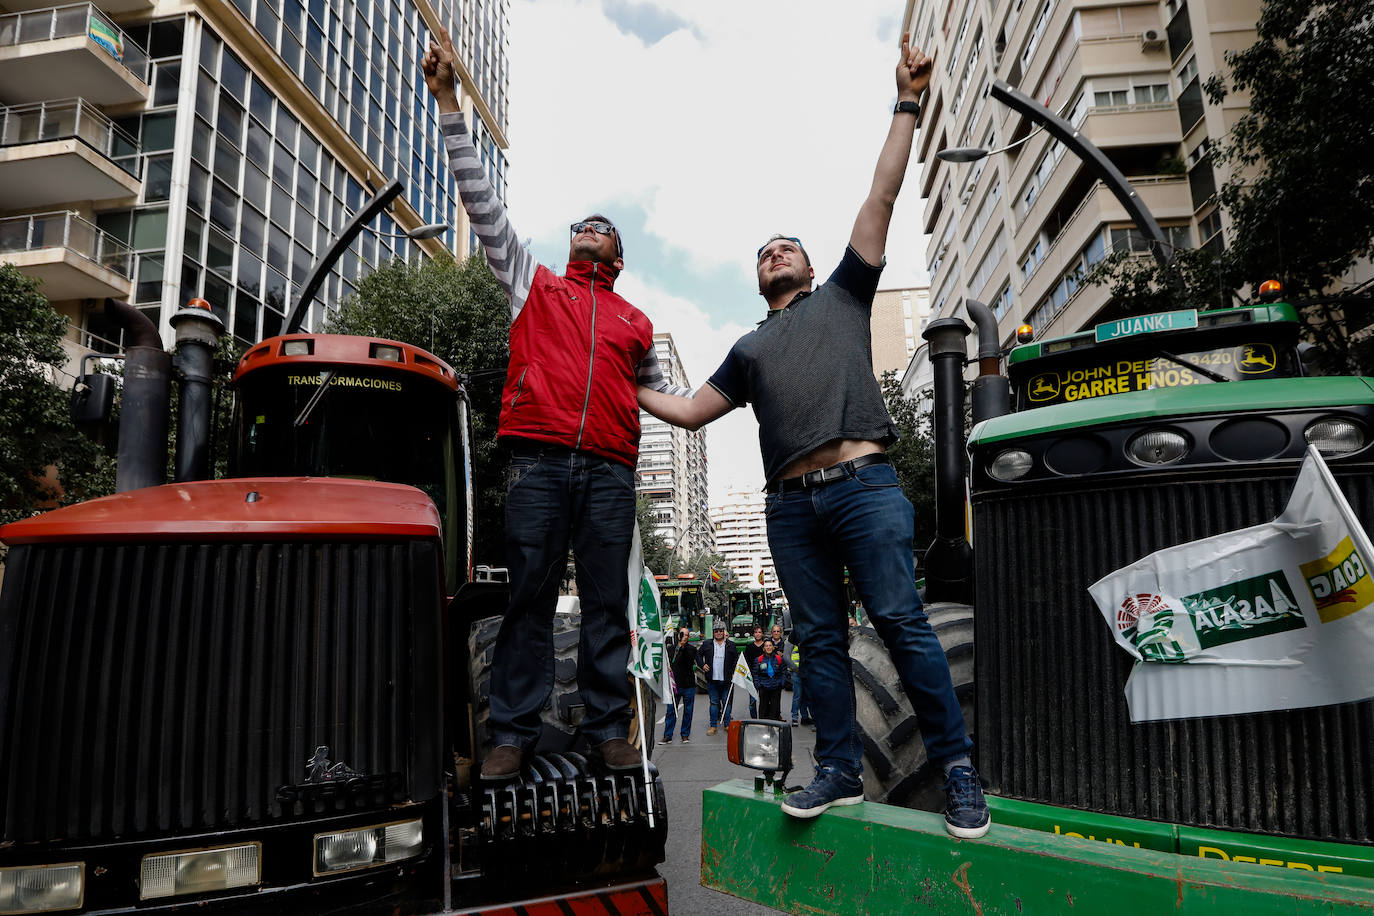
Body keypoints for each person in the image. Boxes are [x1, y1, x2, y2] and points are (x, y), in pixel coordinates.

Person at [637, 34, 990, 837]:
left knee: (901, 623)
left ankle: (959, 771)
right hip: (790, 507)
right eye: (763, 254)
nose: (775, 254)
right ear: (757, 279)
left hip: (865, 488)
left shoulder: (844, 295)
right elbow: (692, 410)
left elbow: (880, 197)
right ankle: (835, 770)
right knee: (819, 641)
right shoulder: (750, 349)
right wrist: (628, 390)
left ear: (806, 263)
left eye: (785, 246)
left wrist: (907, 102)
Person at [423, 28, 692, 782]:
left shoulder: (638, 326)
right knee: (528, 605)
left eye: (605, 230)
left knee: (608, 608)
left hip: (610, 473)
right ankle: (510, 732)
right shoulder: (531, 286)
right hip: (539, 465)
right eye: (584, 226)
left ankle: (608, 728)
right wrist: (449, 101)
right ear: (572, 245)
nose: (592, 228)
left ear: (619, 256)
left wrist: (747, 388)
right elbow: (481, 203)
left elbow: (672, 401)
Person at [697, 622, 740, 735]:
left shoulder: (731, 645)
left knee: (726, 703)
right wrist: (702, 665)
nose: (719, 633)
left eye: (721, 630)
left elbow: (736, 659)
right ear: (713, 632)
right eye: (716, 631)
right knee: (714, 703)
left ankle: (727, 725)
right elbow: (698, 655)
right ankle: (713, 726)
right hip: (712, 679)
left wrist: (733, 671)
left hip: (726, 680)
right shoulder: (707, 644)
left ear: (724, 631)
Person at [662, 628, 697, 743]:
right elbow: (669, 661)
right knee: (671, 711)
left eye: (687, 635)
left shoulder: (691, 649)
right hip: (674, 685)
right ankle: (668, 735)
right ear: (678, 636)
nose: (685, 637)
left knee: (688, 711)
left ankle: (685, 734)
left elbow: (688, 660)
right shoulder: (670, 649)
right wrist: (667, 666)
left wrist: (682, 647)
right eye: (682, 634)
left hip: (688, 685)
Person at [776, 624, 811, 725]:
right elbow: (786, 656)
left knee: (806, 696)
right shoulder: (793, 637)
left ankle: (805, 717)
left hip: (808, 671)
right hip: (797, 672)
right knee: (798, 695)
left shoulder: (808, 635)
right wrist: (795, 668)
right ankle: (795, 717)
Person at [753, 637, 790, 721]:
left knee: (775, 709)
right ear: (763, 648)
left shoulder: (779, 659)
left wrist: (782, 683)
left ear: (773, 647)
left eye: (770, 645)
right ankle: (762, 726)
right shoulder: (759, 660)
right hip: (763, 687)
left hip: (776, 687)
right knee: (763, 708)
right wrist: (758, 685)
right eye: (766, 646)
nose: (768, 647)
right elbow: (755, 674)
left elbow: (784, 672)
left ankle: (774, 727)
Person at [746, 625, 765, 717]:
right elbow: (746, 662)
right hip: (753, 677)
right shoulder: (749, 647)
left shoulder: (766, 646)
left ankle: (762, 719)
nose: (758, 634)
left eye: (759, 632)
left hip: (764, 677)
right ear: (753, 634)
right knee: (752, 702)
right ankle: (754, 719)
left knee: (764, 701)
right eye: (756, 632)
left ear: (762, 634)